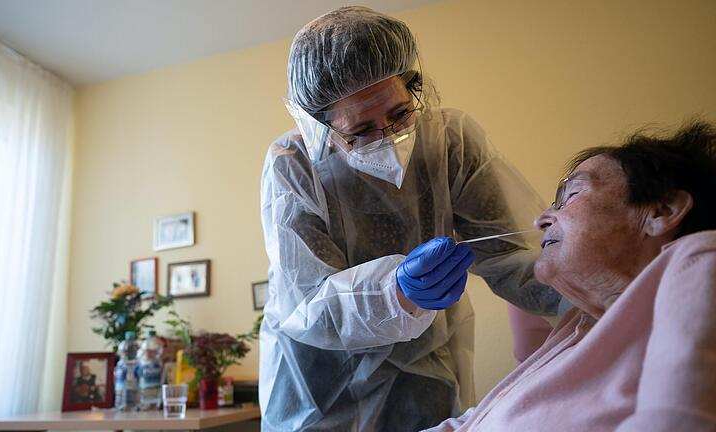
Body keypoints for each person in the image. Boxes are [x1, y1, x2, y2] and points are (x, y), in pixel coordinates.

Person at [259, 6, 561, 431]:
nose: (390, 138)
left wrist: (611, 288)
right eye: (361, 130)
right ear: (319, 128)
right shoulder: (294, 166)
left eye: (401, 113)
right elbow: (307, 306)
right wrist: (394, 292)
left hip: (424, 368)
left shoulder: (449, 141)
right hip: (320, 385)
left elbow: (514, 257)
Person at [425, 120, 716, 431]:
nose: (541, 219)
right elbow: (470, 423)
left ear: (662, 211)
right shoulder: (579, 325)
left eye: (571, 194)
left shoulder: (700, 257)